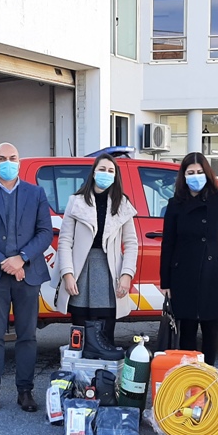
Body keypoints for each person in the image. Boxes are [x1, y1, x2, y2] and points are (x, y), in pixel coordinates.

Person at [0, 142, 53, 414]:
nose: (7, 162)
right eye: (2, 158)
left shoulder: (36, 193)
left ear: (19, 161)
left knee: (27, 336)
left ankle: (25, 392)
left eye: (12, 157)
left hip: (28, 273)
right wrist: (4, 262)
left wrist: (22, 257)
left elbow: (44, 232)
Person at [159, 151, 218, 366]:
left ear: (207, 173)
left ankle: (208, 376)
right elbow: (168, 243)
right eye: (190, 172)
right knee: (186, 330)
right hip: (183, 273)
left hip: (214, 273)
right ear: (183, 176)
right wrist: (165, 281)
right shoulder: (176, 203)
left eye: (199, 172)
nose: (195, 176)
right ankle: (188, 379)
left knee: (211, 329)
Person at [53, 153, 138, 357]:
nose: (105, 174)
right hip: (80, 269)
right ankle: (80, 377)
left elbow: (131, 243)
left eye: (110, 170)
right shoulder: (76, 201)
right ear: (93, 172)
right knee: (80, 329)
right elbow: (65, 241)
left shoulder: (122, 204)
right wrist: (67, 274)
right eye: (102, 169)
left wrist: (126, 275)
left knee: (105, 330)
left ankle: (105, 379)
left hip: (109, 271)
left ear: (116, 175)